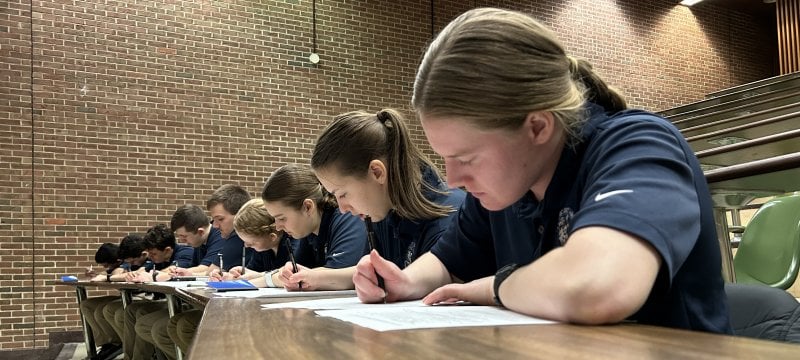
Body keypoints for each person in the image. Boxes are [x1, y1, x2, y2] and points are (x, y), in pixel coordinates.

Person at [352, 7, 731, 334]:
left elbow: (594, 287)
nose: (453, 180)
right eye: (446, 158)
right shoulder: (505, 186)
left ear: (537, 127)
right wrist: (404, 281)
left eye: (466, 158)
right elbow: (447, 265)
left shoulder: (638, 144)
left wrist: (495, 287)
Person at [302, 109, 465, 292]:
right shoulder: (382, 209)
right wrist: (314, 278)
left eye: (342, 194)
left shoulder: (449, 217)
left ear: (377, 173)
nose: (342, 208)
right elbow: (374, 274)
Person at [261, 164, 366, 290]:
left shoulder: (346, 217)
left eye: (282, 218)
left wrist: (272, 279)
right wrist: (283, 274)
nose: (277, 227)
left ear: (308, 207)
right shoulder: (308, 230)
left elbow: (338, 276)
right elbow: (299, 272)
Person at [79, 243, 126, 360]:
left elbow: (117, 274)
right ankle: (107, 343)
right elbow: (106, 274)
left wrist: (104, 276)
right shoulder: (114, 266)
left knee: (103, 310)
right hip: (124, 296)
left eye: (106, 264)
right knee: (87, 305)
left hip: (139, 297)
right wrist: (96, 275)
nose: (105, 267)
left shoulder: (126, 263)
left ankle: (118, 342)